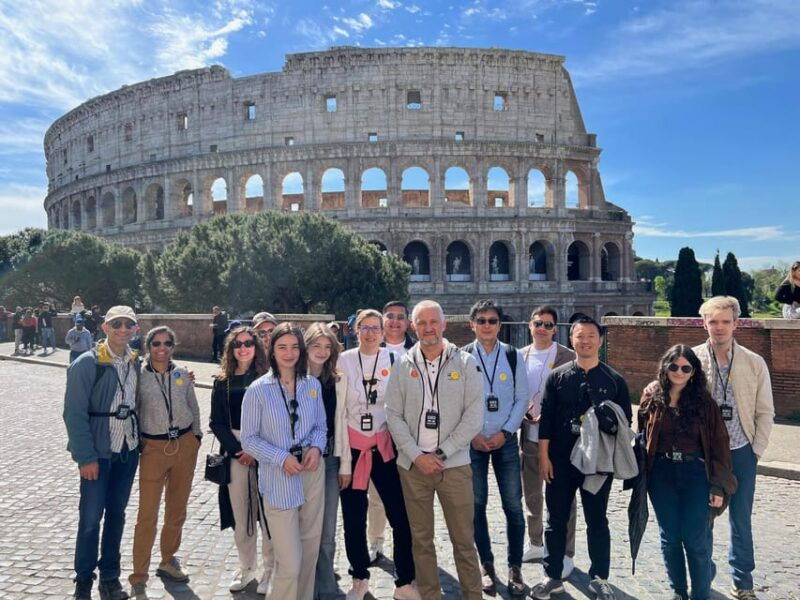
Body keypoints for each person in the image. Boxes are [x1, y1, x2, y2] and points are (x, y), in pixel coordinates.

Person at [385, 300, 483, 600]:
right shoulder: (402, 363)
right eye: (422, 323)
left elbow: (474, 415)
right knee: (421, 540)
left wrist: (441, 454)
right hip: (414, 469)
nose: (428, 328)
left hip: (453, 466)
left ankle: (473, 595)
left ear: (443, 325)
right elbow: (393, 414)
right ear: (414, 327)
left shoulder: (464, 363)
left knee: (464, 541)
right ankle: (430, 595)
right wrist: (417, 455)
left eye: (433, 322)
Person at [531, 316, 632, 600]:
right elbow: (546, 420)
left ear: (600, 340)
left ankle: (599, 577)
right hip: (561, 460)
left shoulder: (615, 380)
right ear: (571, 339)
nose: (585, 341)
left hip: (598, 463)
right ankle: (553, 576)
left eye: (591, 335)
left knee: (597, 519)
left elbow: (624, 424)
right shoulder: (558, 376)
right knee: (556, 519)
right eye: (579, 336)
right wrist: (543, 457)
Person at [638, 345, 737, 600]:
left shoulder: (705, 404)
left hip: (695, 474)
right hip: (661, 474)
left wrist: (719, 485)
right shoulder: (652, 399)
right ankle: (678, 591)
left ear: (693, 372)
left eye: (685, 368)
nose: (679, 372)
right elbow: (642, 437)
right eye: (674, 367)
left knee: (695, 539)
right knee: (669, 536)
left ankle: (701, 594)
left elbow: (720, 446)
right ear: (665, 368)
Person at [693, 296, 774, 600]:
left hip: (742, 450)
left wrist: (756, 450)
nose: (719, 327)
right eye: (713, 321)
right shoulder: (693, 358)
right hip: (704, 452)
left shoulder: (754, 362)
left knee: (741, 519)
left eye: (726, 321)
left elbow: (765, 410)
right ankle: (704, 577)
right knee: (703, 518)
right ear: (704, 323)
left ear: (736, 324)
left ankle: (743, 581)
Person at [241, 323, 327, 600]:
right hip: (279, 478)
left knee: (310, 551)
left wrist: (316, 447)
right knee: (289, 563)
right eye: (282, 347)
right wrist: (280, 458)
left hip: (312, 473)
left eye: (294, 347)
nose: (289, 353)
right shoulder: (257, 390)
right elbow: (249, 439)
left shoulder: (312, 384)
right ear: (271, 350)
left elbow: (321, 427)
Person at [337, 309, 419, 600]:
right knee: (354, 518)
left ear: (383, 332)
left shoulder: (395, 359)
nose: (370, 333)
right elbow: (339, 411)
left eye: (376, 327)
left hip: (385, 447)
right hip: (353, 448)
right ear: (355, 330)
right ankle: (359, 577)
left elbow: (405, 405)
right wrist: (343, 459)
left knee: (400, 516)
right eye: (365, 327)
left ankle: (405, 582)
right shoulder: (344, 361)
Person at [63, 306, 141, 600]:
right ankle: (83, 579)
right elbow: (73, 414)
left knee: (117, 516)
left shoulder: (135, 362)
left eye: (129, 324)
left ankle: (110, 577)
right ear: (105, 327)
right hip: (99, 452)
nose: (123, 329)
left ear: (135, 329)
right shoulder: (87, 363)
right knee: (90, 518)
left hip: (126, 450)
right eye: (117, 324)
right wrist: (85, 457)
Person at [128, 326, 202, 599]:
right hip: (154, 448)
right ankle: (138, 576)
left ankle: (168, 560)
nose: (162, 347)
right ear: (148, 346)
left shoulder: (182, 374)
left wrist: (196, 436)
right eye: (156, 343)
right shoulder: (138, 377)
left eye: (167, 343)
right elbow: (133, 410)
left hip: (184, 444)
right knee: (147, 514)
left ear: (174, 345)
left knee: (177, 508)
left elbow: (193, 406)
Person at [463, 300, 528, 596]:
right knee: (476, 506)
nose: (487, 325)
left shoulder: (513, 356)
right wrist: (474, 433)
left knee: (513, 505)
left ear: (500, 325)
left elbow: (521, 398)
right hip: (473, 441)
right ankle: (486, 566)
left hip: (505, 441)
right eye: (482, 320)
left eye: (492, 320)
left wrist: (505, 432)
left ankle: (515, 567)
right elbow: (456, 401)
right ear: (472, 324)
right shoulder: (461, 357)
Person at [209, 326, 273, 594]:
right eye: (237, 344)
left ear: (256, 346)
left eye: (248, 343)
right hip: (235, 452)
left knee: (269, 514)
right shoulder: (222, 381)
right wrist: (238, 451)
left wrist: (257, 450)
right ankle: (247, 567)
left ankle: (271, 570)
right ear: (230, 349)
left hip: (266, 450)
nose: (243, 348)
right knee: (241, 513)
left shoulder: (268, 378)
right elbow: (217, 422)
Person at [519, 306, 578, 576]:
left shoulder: (569, 357)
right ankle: (535, 541)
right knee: (531, 493)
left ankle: (565, 552)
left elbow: (577, 398)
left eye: (548, 324)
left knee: (563, 496)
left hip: (559, 439)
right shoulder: (520, 356)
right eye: (538, 323)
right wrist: (523, 413)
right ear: (529, 326)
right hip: (528, 435)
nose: (542, 328)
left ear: (555, 329)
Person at [366, 300, 417, 563]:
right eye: (390, 316)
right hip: (380, 431)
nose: (395, 321)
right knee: (376, 494)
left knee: (412, 494)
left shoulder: (418, 350)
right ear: (383, 320)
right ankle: (375, 540)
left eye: (400, 317)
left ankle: (411, 543)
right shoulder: (370, 349)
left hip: (411, 434)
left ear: (408, 322)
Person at [305, 323, 347, 600]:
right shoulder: (292, 378)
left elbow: (343, 423)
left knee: (328, 528)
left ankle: (327, 586)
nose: (321, 351)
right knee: (304, 525)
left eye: (327, 346)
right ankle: (306, 584)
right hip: (302, 462)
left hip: (331, 457)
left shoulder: (338, 380)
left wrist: (346, 465)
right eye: (316, 345)